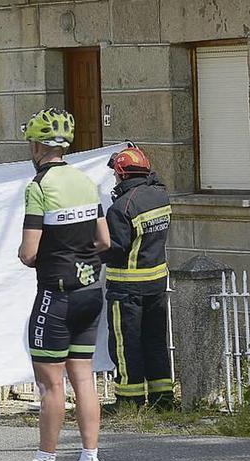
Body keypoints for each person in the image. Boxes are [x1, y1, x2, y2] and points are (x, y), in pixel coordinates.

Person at [5, 108, 110, 461]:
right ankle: (90, 459)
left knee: (51, 383)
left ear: (36, 146)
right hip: (90, 290)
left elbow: (29, 252)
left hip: (57, 293)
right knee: (83, 377)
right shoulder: (86, 180)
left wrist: (38, 254)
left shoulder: (39, 186)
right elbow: (104, 241)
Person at [100, 146, 173, 411]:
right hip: (156, 285)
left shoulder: (121, 208)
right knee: (155, 341)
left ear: (121, 175)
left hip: (127, 288)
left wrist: (93, 249)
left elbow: (116, 249)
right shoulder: (160, 197)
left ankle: (128, 401)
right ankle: (162, 399)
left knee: (125, 344)